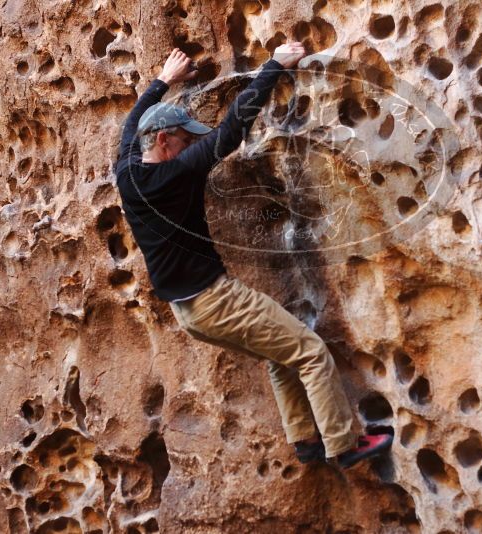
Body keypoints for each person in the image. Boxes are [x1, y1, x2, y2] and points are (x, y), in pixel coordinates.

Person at [113, 44, 392, 468]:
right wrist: (274, 66)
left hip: (188, 312)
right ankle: (345, 445)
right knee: (311, 352)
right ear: (165, 140)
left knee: (279, 354)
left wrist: (162, 82)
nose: (192, 147)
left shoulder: (128, 170)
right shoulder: (177, 172)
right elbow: (229, 132)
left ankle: (306, 442)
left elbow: (131, 124)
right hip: (214, 300)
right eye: (186, 140)